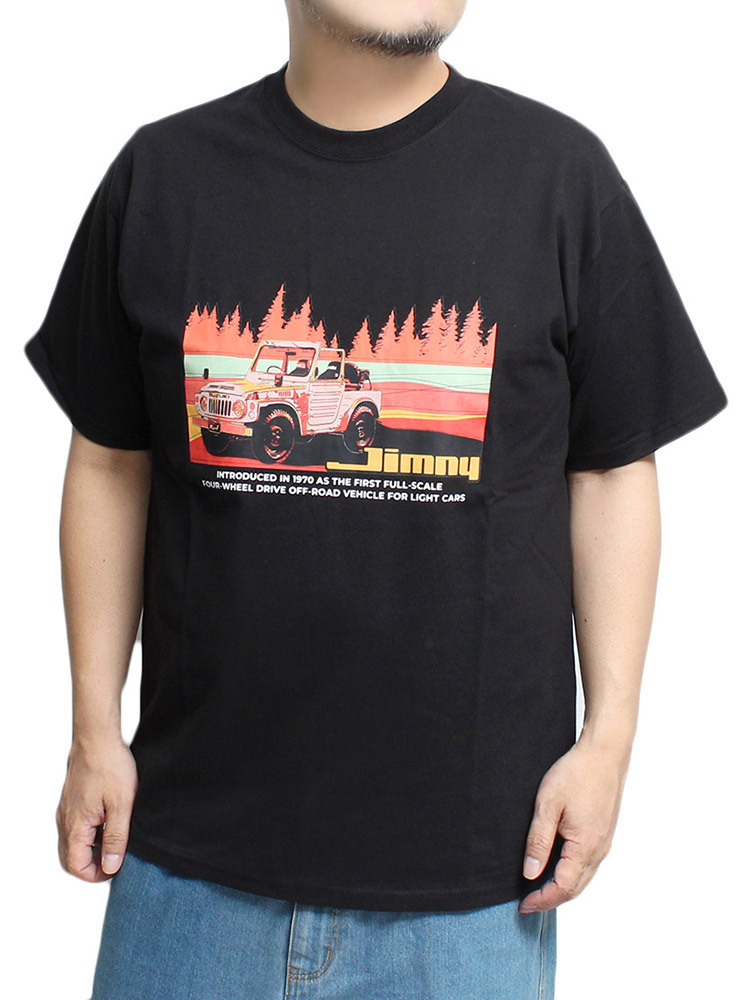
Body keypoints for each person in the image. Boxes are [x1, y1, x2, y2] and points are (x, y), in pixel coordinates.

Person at [24, 2, 728, 998]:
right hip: (188, 854)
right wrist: (94, 727)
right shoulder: (165, 176)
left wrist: (608, 738)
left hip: (475, 883)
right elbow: (110, 458)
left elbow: (612, 469)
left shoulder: (558, 178)